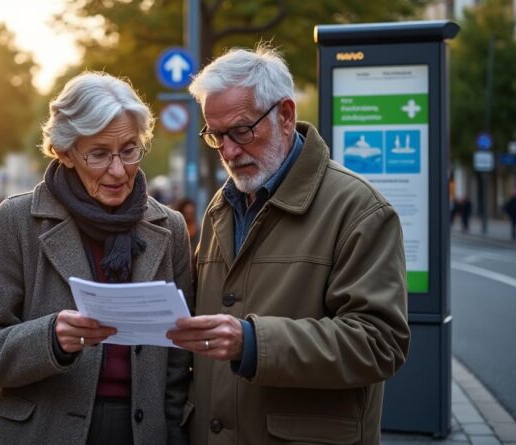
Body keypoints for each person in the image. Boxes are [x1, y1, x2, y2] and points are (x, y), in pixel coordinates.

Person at [166, 46, 410, 444]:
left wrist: (254, 342)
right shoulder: (221, 207)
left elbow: (380, 342)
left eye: (242, 131)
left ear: (285, 115)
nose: (228, 151)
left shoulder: (359, 208)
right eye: (216, 136)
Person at [0, 72, 193, 444]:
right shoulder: (19, 220)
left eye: (129, 149)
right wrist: (50, 338)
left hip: (140, 433)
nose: (118, 170)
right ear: (64, 152)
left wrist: (174, 435)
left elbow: (179, 363)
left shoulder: (171, 227)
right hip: (41, 431)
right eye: (99, 154)